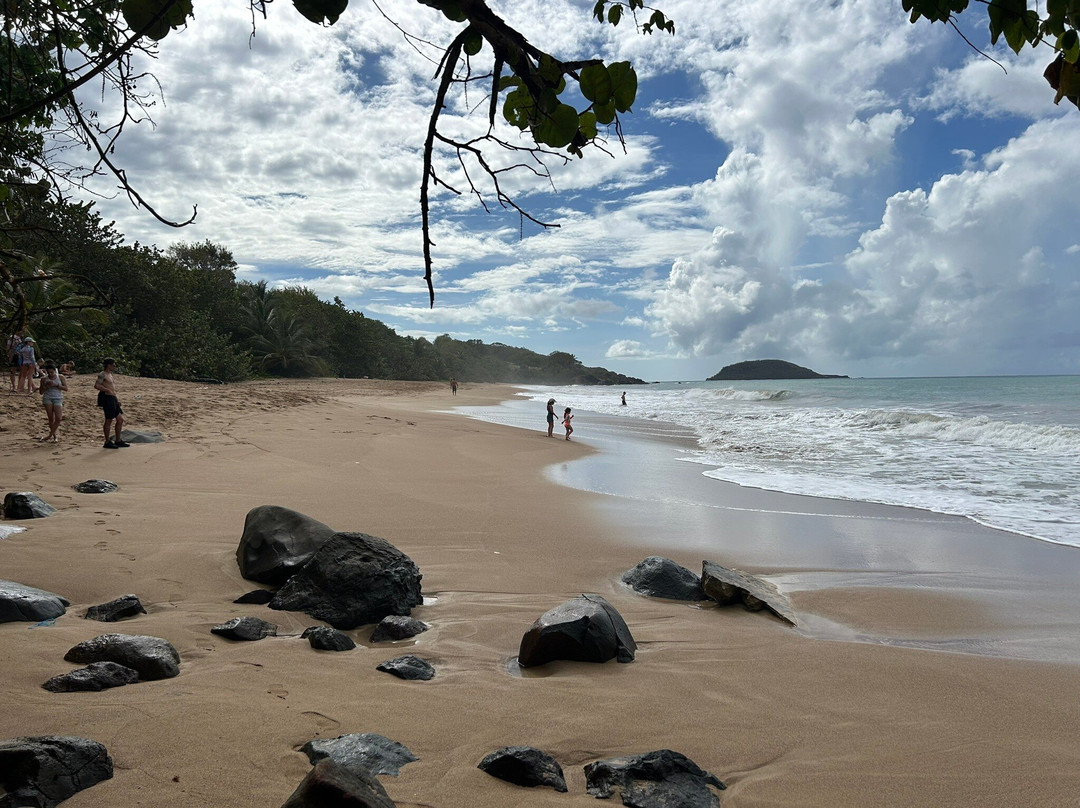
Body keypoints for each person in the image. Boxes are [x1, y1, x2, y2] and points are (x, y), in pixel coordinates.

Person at [94, 358, 130, 449]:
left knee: (120, 419)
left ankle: (118, 440)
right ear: (108, 365)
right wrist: (107, 390)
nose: (114, 367)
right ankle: (107, 441)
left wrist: (116, 399)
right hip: (107, 398)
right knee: (109, 420)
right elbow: (97, 385)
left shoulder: (110, 375)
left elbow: (112, 388)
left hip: (112, 397)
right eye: (113, 365)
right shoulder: (102, 374)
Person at [37, 361, 68, 443]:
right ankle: (54, 436)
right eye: (48, 372)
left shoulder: (60, 377)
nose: (50, 374)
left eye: (52, 372)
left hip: (58, 397)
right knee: (51, 418)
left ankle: (49, 435)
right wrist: (45, 386)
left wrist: (56, 385)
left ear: (55, 370)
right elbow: (41, 392)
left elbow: (66, 388)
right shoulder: (44, 379)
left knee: (58, 418)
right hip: (48, 398)